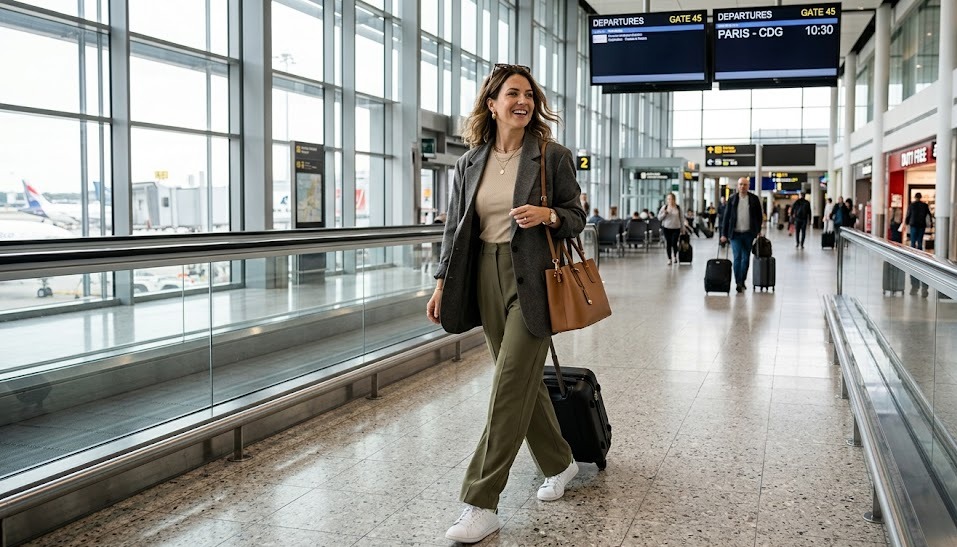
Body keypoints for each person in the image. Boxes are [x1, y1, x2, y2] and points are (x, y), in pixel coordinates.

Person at [426, 63, 585, 544]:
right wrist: (440, 283)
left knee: (509, 383)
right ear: (491, 104)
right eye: (512, 94)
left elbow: (578, 217)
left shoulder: (551, 157)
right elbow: (455, 229)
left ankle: (480, 501)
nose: (523, 101)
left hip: (534, 281)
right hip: (484, 279)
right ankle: (561, 462)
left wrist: (549, 214)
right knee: (522, 382)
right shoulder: (469, 162)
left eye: (529, 95)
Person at [720, 177, 763, 293]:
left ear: (748, 186)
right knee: (737, 257)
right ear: (737, 186)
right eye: (740, 184)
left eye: (745, 184)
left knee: (746, 258)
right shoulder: (732, 199)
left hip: (749, 233)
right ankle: (738, 282)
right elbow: (726, 217)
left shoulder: (753, 199)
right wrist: (723, 234)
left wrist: (758, 230)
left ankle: (742, 280)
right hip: (735, 234)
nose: (742, 187)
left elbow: (759, 216)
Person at [905, 192, 933, 296]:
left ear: (915, 197)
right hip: (921, 224)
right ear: (920, 197)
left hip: (913, 224)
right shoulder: (925, 205)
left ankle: (913, 253)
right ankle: (920, 252)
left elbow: (908, 214)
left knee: (913, 241)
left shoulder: (912, 205)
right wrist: (931, 223)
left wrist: (907, 222)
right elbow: (929, 214)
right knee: (920, 241)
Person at [657, 192, 685, 265]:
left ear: (674, 199)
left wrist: (683, 228)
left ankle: (675, 256)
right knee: (668, 243)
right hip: (666, 228)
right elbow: (659, 218)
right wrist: (664, 213)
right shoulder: (664, 207)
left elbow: (681, 218)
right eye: (668, 199)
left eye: (671, 199)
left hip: (676, 228)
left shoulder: (678, 208)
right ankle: (669, 258)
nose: (670, 200)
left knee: (674, 242)